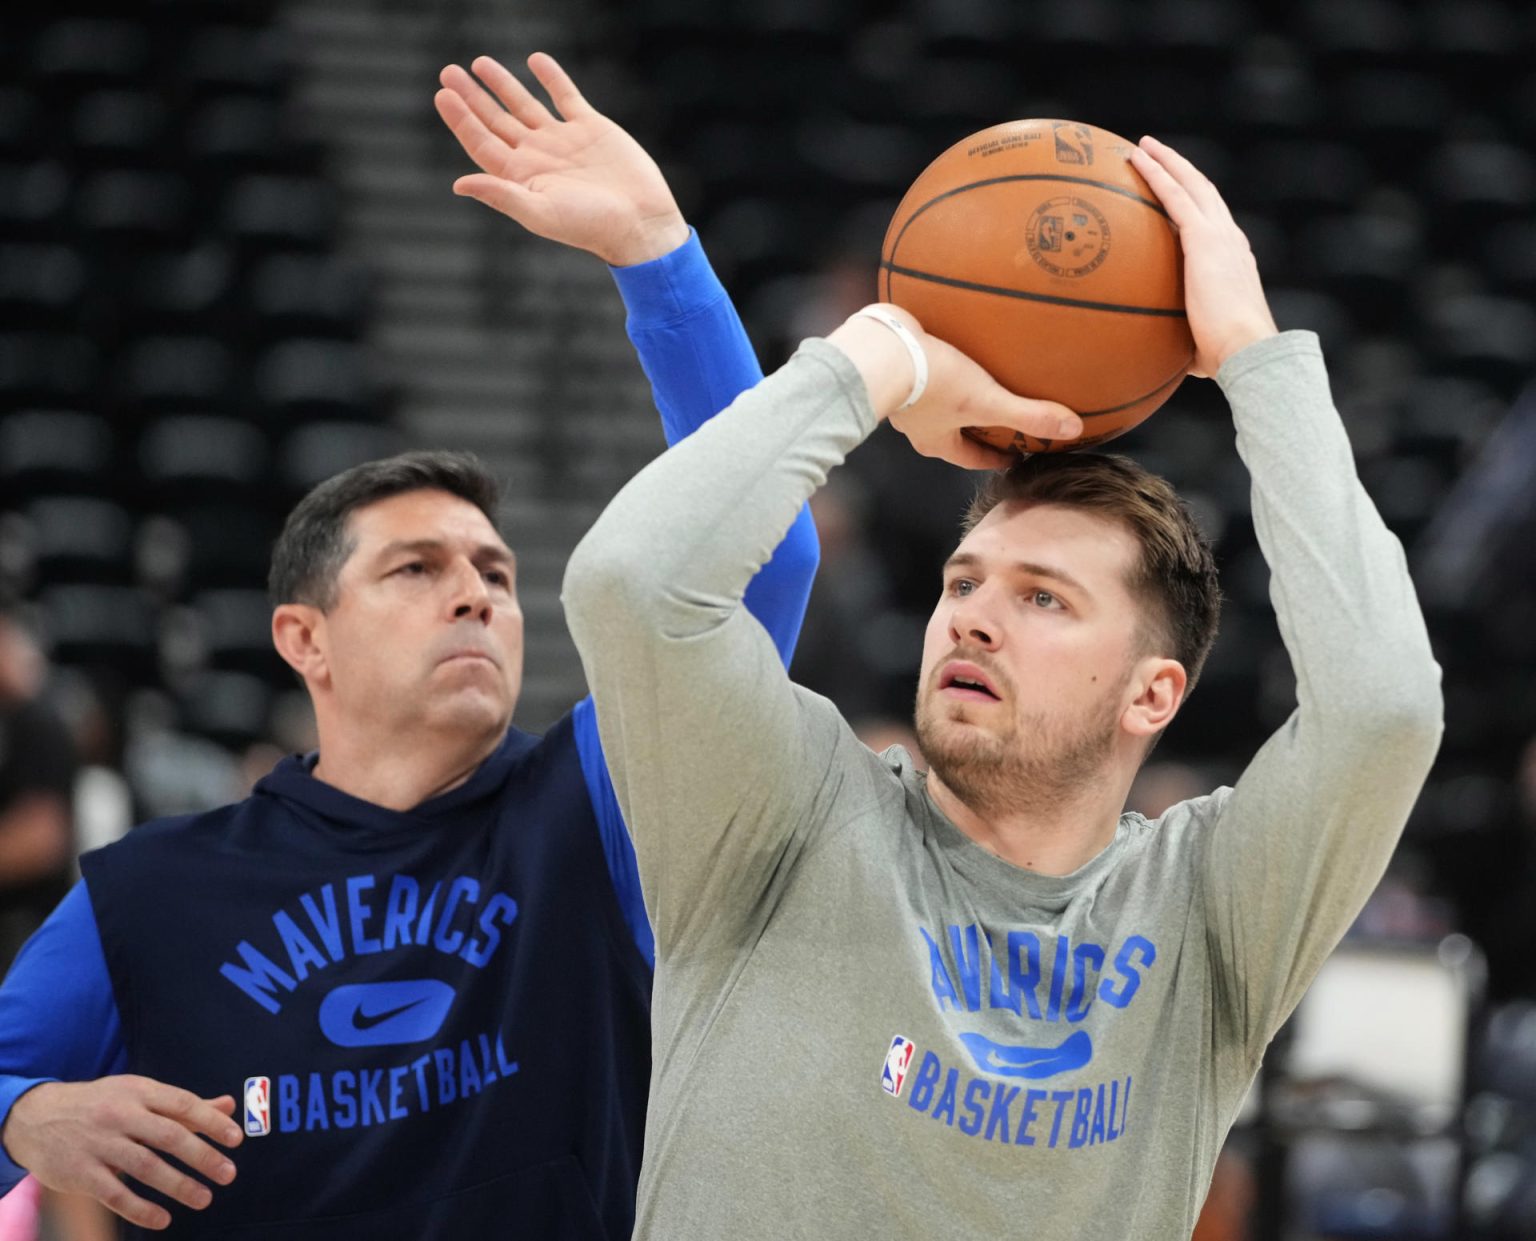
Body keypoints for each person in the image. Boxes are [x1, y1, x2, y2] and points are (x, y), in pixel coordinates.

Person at [562, 135, 1444, 1238]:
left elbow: (1387, 708)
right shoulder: (786, 812)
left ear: (1153, 694)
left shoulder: (1208, 912)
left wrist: (1256, 359)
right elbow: (632, 582)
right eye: (964, 580)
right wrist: (885, 356)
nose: (971, 613)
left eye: (1044, 598)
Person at [0, 54, 815, 1239]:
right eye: (416, 569)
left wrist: (658, 256)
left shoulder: (600, 804)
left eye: (495, 573)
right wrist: (24, 1117)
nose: (477, 595)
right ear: (303, 637)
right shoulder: (151, 892)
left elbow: (765, 555)